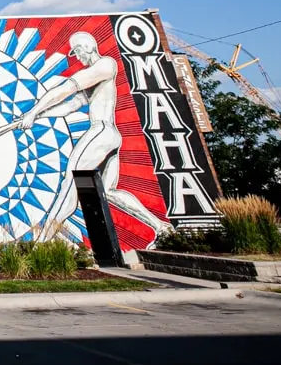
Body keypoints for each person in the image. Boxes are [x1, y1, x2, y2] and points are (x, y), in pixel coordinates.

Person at [18, 31, 172, 237]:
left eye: (78, 51)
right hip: (110, 136)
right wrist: (35, 116)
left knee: (71, 183)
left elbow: (66, 89)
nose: (77, 57)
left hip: (100, 131)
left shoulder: (105, 65)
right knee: (109, 192)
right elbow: (71, 105)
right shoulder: (97, 76)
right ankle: (161, 226)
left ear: (89, 46)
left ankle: (43, 241)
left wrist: (34, 111)